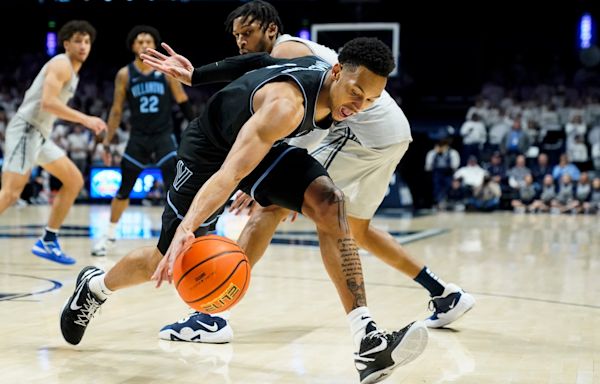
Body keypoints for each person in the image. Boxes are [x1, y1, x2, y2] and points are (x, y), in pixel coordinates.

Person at [61, 37, 428, 384]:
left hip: (259, 148)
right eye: (355, 92)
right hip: (209, 154)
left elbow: (259, 60)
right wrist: (188, 227)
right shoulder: (287, 107)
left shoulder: (328, 84)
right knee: (170, 258)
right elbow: (230, 173)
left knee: (330, 204)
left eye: (370, 100)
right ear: (336, 72)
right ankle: (94, 288)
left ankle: (367, 341)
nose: (358, 105)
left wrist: (197, 75)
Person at [158, 0, 474, 344]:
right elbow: (255, 67)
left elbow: (268, 85)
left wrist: (274, 180)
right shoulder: (296, 62)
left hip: (360, 132)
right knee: (355, 230)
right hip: (391, 133)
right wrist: (198, 76)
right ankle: (444, 294)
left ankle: (212, 315)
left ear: (271, 30)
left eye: (246, 33)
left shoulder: (290, 56)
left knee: (277, 206)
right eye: (236, 36)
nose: (241, 43)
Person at [0, 20, 106, 264]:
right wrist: (86, 119)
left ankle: (48, 240)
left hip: (40, 135)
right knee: (10, 193)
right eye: (78, 41)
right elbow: (47, 103)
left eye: (87, 41)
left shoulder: (73, 71)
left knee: (74, 180)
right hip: (27, 129)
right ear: (66, 44)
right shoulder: (61, 64)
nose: (83, 46)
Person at [91, 25, 194, 257]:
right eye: (140, 41)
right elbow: (116, 111)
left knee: (174, 186)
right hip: (138, 138)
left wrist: (200, 127)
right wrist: (107, 142)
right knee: (124, 187)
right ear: (132, 46)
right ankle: (108, 235)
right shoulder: (125, 74)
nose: (144, 44)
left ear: (155, 46)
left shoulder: (167, 71)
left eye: (149, 41)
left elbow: (182, 100)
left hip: (163, 136)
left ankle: (178, 237)